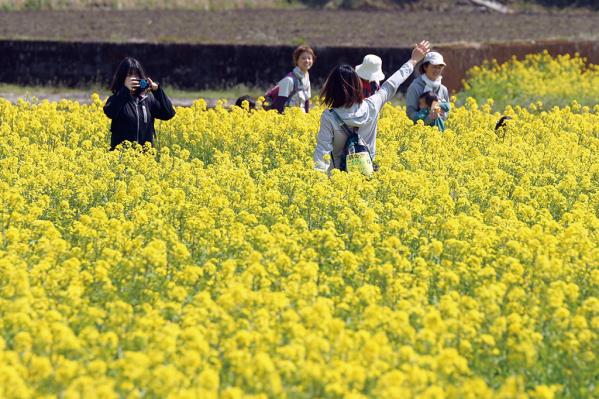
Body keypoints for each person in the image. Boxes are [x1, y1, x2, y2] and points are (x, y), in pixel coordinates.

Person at [313, 41, 431, 173]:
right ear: (357, 86)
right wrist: (413, 60)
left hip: (338, 179)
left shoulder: (329, 117)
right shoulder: (372, 105)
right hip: (367, 175)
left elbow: (322, 151)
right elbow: (392, 83)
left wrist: (319, 180)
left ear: (331, 89)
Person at [104, 57, 176, 150]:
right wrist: (125, 90)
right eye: (129, 75)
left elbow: (169, 114)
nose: (134, 78)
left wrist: (158, 91)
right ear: (122, 78)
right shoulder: (116, 99)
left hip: (145, 160)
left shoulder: (148, 99)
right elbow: (110, 112)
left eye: (137, 74)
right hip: (121, 157)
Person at [405, 51, 450, 125]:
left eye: (440, 68)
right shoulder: (415, 87)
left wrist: (442, 115)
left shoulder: (443, 89)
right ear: (425, 67)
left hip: (439, 132)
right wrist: (426, 118)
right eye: (434, 67)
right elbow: (410, 112)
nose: (437, 70)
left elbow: (447, 111)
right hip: (418, 131)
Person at [267, 45, 315, 113]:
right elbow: (278, 105)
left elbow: (306, 102)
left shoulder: (306, 79)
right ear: (296, 61)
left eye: (309, 58)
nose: (307, 61)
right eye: (303, 58)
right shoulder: (289, 80)